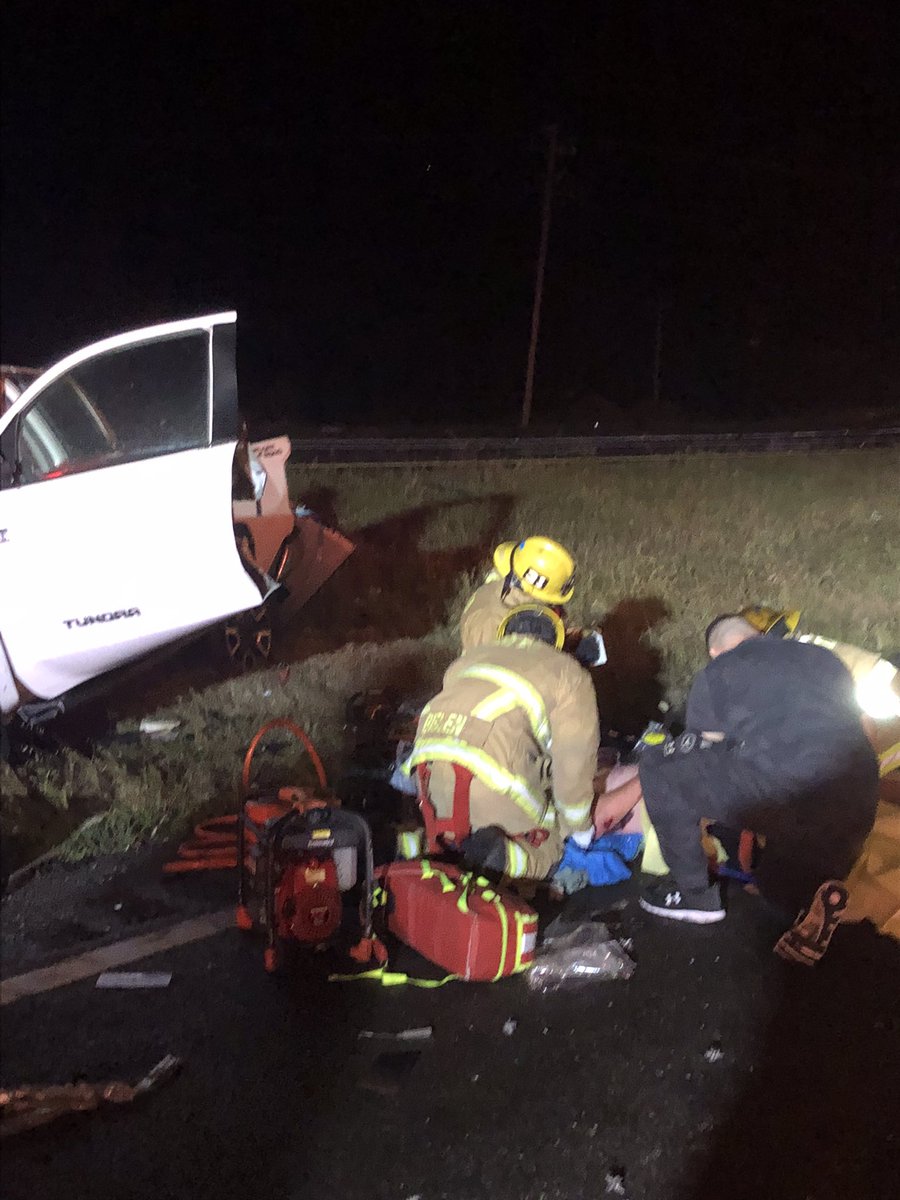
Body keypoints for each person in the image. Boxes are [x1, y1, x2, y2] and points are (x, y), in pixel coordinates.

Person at [594, 613, 879, 963]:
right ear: (759, 634)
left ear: (716, 650)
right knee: (775, 886)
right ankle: (814, 894)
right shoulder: (822, 658)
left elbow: (701, 751)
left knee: (663, 773)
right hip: (858, 793)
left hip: (788, 788)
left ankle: (693, 896)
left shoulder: (721, 670)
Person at [405, 604, 598, 881]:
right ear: (555, 641)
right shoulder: (567, 673)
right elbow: (574, 762)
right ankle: (504, 858)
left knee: (447, 832)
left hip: (428, 777)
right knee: (551, 845)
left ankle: (414, 847)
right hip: (493, 783)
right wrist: (579, 828)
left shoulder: (466, 661)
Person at [461, 536, 607, 667]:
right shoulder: (494, 623)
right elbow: (524, 672)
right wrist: (572, 657)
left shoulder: (503, 587)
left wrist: (569, 637)